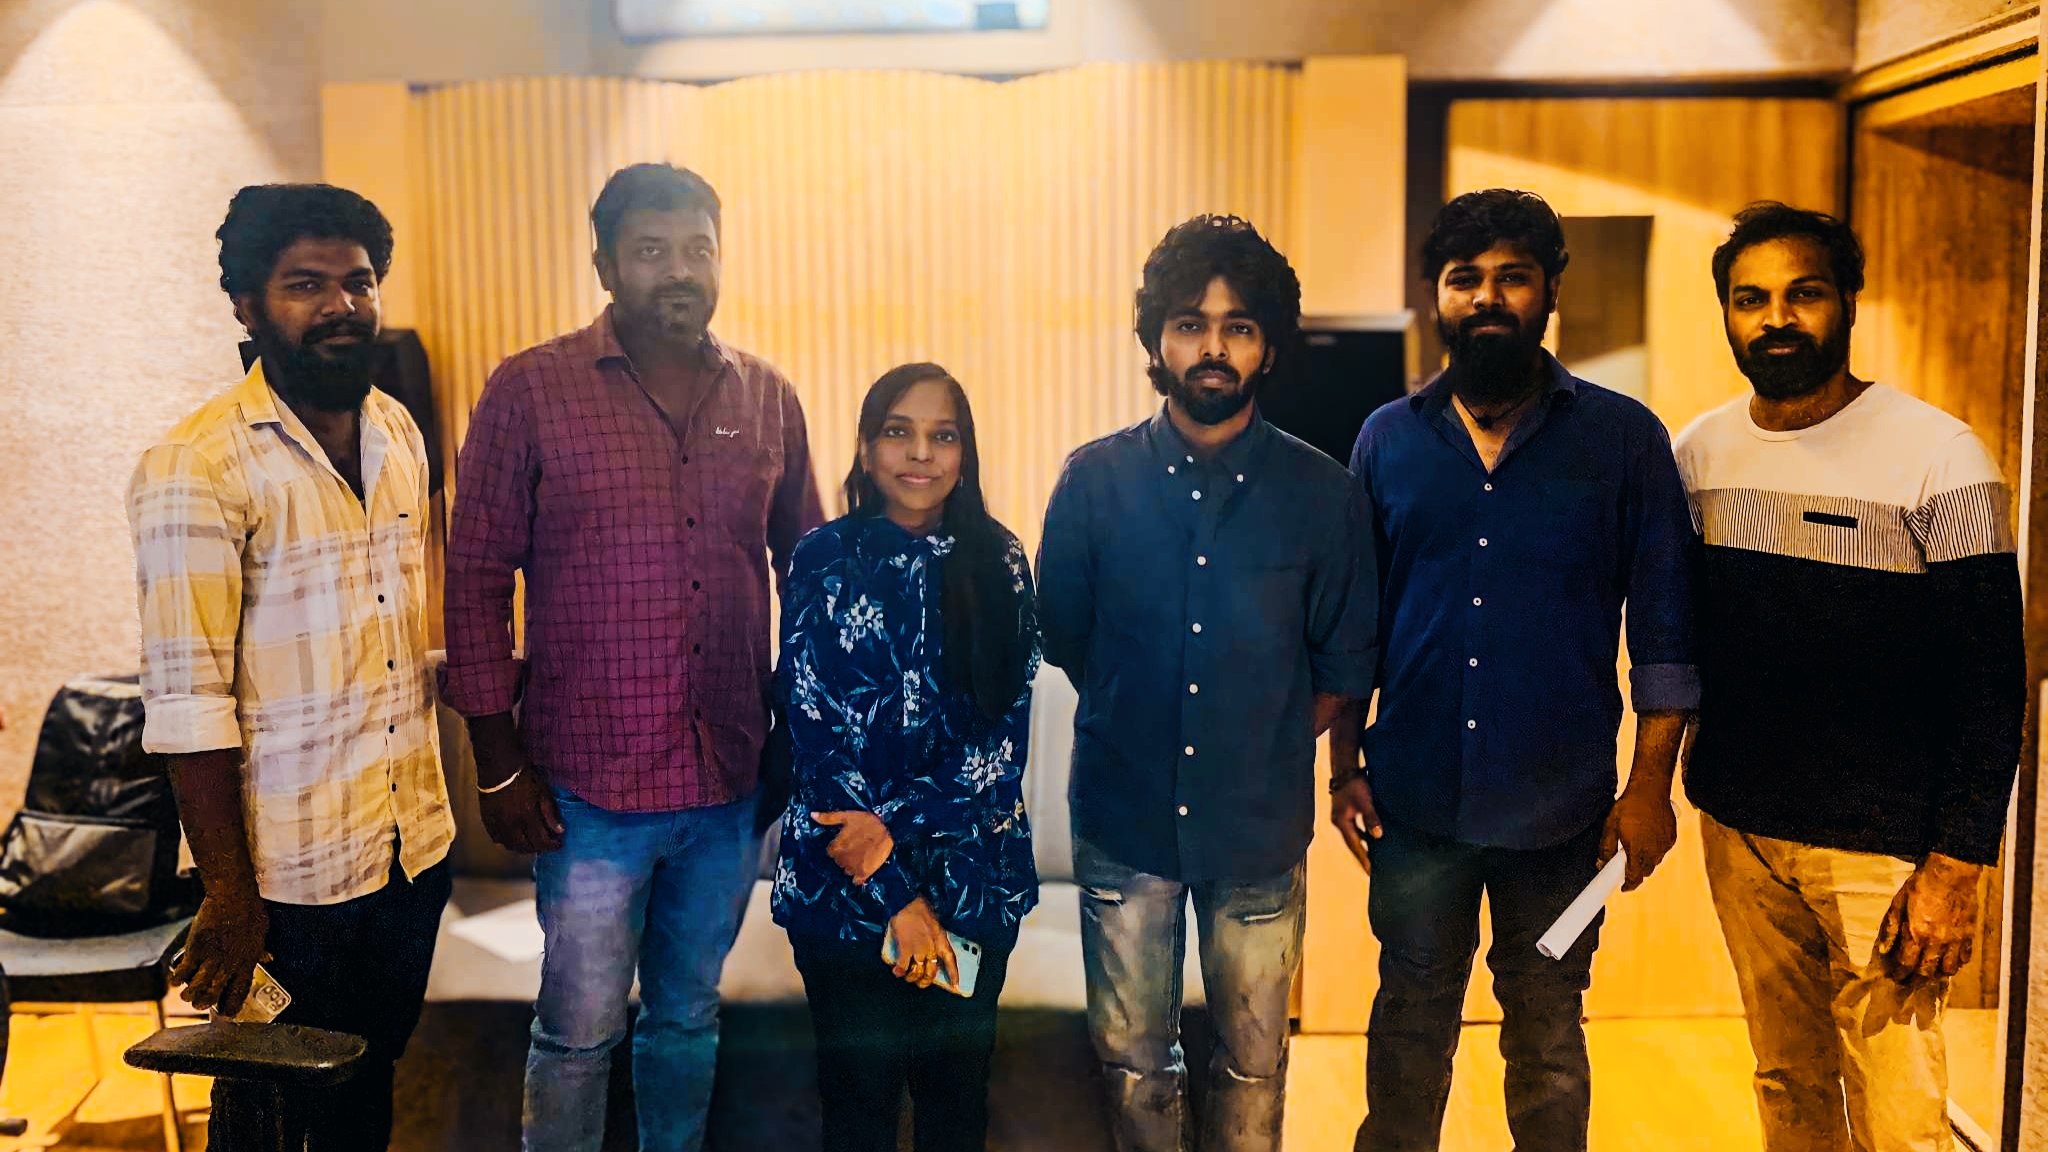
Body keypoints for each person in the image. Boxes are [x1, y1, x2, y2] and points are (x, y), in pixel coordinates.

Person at [442, 163, 825, 1152]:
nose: (679, 270)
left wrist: (798, 732)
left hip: (727, 784)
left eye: (698, 248)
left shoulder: (768, 398)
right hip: (587, 794)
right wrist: (497, 763)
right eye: (651, 250)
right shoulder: (531, 389)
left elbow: (812, 580)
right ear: (606, 265)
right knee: (577, 1034)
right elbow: (475, 576)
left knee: (686, 1019)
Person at [1335, 188, 1699, 1152]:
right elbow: (1354, 626)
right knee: (1408, 1025)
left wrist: (1649, 791)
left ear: (1550, 292)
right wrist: (1342, 768)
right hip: (1414, 806)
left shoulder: (1624, 440)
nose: (1487, 297)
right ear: (1437, 297)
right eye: (1466, 279)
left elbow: (1665, 633)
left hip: (1562, 816)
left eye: (1513, 277)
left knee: (1547, 1034)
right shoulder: (1386, 439)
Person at [1675, 202, 2022, 1152]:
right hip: (1741, 829)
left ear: (1849, 303)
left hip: (1884, 851)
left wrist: (1956, 868)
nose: (1776, 319)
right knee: (1785, 1080)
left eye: (1804, 294)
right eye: (1751, 300)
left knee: (1898, 1113)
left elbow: (1993, 685)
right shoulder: (1699, 453)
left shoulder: (1940, 456)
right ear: (1727, 313)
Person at [1037, 215, 1377, 1151]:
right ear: (1155, 340)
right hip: (1123, 819)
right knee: (1133, 1063)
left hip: (1258, 828)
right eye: (1190, 324)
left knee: (1254, 1063)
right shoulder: (1092, 483)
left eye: (1238, 327)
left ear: (1268, 346)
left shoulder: (1325, 495)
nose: (1213, 347)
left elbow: (1341, 669)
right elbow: (1067, 638)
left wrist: (1255, 735)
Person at [128, 183, 456, 1150]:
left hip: (409, 850)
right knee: (266, 1117)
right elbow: (187, 702)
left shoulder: (398, 430)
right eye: (305, 284)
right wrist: (230, 898)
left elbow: (392, 632)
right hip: (285, 883)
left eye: (358, 282)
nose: (341, 305)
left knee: (370, 1084)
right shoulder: (197, 465)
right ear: (246, 304)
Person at [772, 362, 1041, 1152]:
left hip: (970, 882)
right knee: (857, 1114)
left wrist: (899, 859)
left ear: (965, 453)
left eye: (942, 435)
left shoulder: (1000, 559)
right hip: (841, 893)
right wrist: (892, 891)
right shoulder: (822, 558)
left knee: (955, 1113)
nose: (921, 453)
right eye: (899, 432)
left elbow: (1000, 744)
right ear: (865, 447)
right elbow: (812, 734)